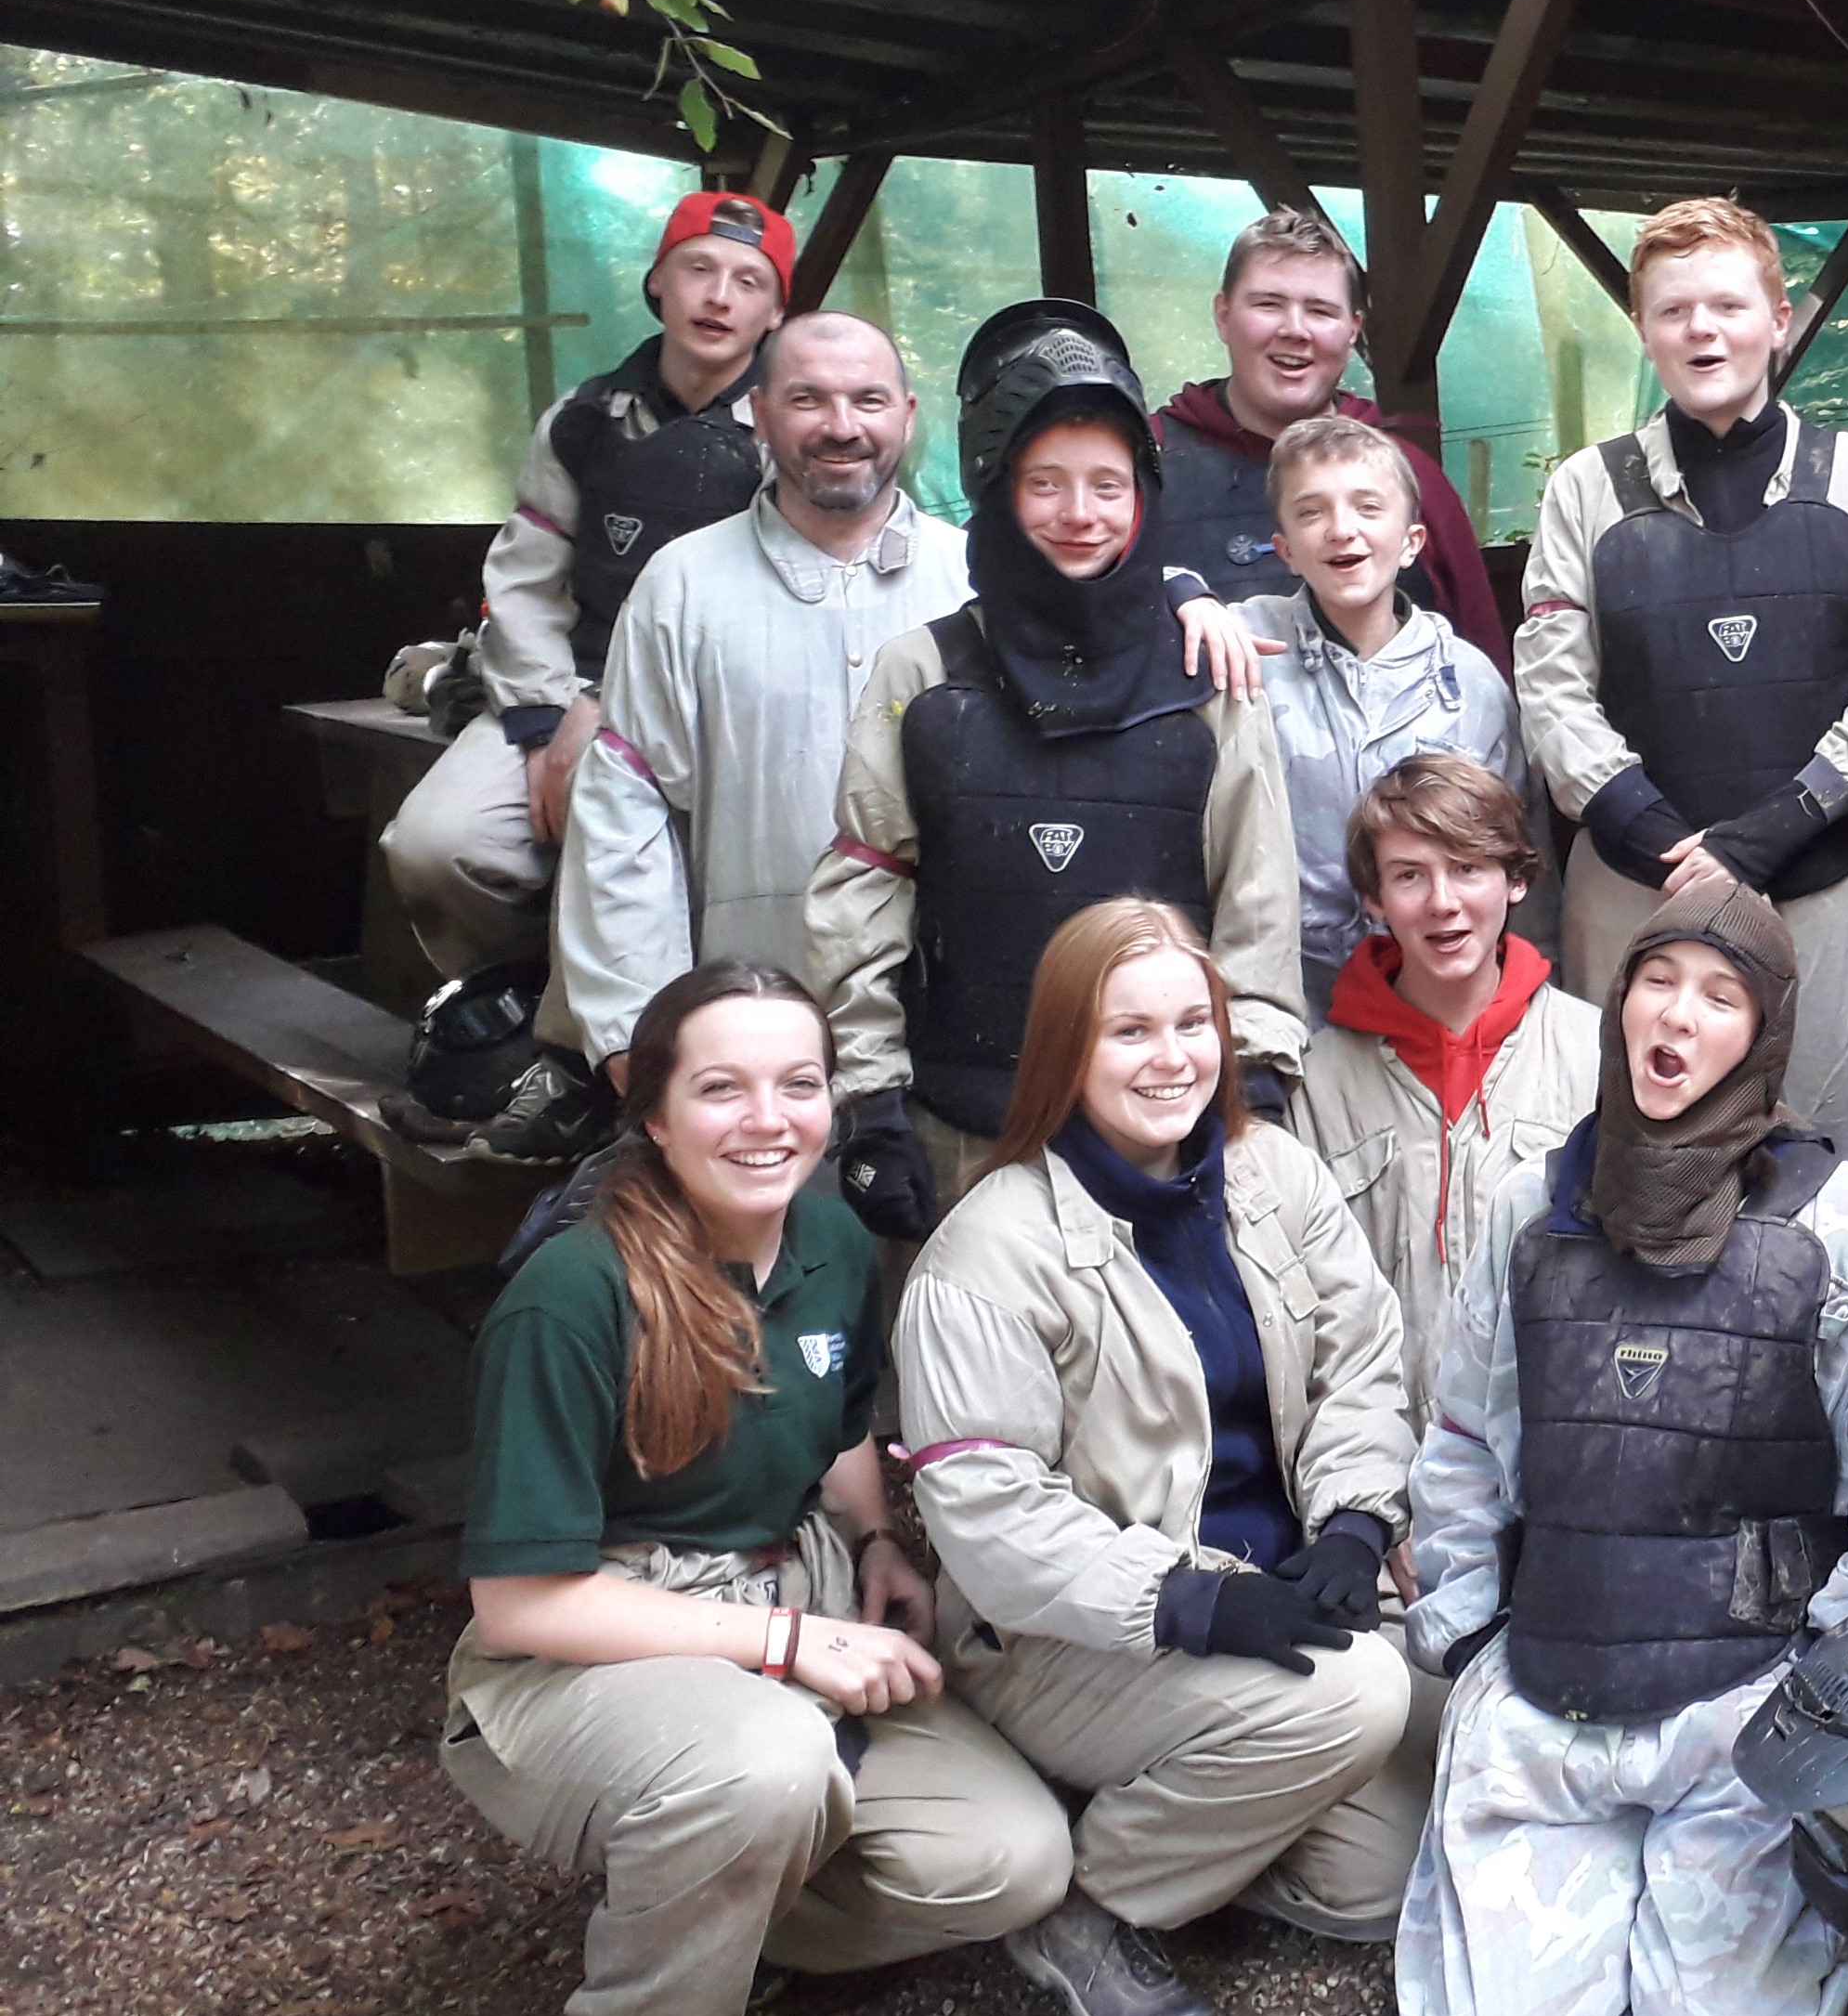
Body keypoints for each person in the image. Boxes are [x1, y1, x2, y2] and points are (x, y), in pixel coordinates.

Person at [439, 963, 1072, 2016]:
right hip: (584, 1650)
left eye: (800, 1084)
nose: (768, 1118)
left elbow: (836, 1429)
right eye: (722, 1088)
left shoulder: (832, 1237)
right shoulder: (571, 1295)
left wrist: (880, 1540)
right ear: (657, 1114)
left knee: (1013, 1861)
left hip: (799, 1589)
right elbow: (519, 1601)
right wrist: (788, 1653)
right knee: (767, 1764)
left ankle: (714, 1910)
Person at [1391, 873, 1848, 2016]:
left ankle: (1730, 1936)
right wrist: (1473, 1624)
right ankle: (1605, 1920)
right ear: (1620, 1005)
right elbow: (1460, 1443)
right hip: (1550, 1688)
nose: (1676, 1018)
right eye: (1657, 981)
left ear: (1763, 1032)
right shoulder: (1531, 1214)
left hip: (1747, 1710)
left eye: (1719, 997)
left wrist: (1834, 1698)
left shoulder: (1844, 1221)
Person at [897, 900, 1438, 2016]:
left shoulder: (1272, 1173)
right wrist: (1191, 1598)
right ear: (1065, 1050)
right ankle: (1086, 1904)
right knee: (1360, 1703)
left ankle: (1192, 1790)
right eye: (1128, 1031)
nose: (1173, 1057)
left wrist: (1350, 1522)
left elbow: (1363, 1361)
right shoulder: (990, 1253)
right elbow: (992, 1518)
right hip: (1078, 1641)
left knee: (1392, 1869)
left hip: (1281, 1595)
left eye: (1193, 1021)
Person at [806, 303, 1308, 1236]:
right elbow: (860, 905)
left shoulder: (1212, 673)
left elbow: (1258, 896)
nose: (1081, 514)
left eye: (1109, 486)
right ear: (997, 489)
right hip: (960, 1138)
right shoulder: (918, 673)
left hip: (1165, 1138)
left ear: (1144, 499)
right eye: (1046, 483)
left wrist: (1258, 1085)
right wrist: (871, 1105)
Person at [487, 311, 973, 1159]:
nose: (841, 426)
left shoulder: (973, 579)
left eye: (868, 400)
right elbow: (622, 823)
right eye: (807, 399)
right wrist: (640, 1034)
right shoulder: (682, 586)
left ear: (906, 413)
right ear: (758, 412)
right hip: (741, 1057)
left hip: (947, 1038)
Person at [1515, 197, 1848, 1162]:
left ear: (1778, 320)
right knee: (1632, 1145)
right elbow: (1552, 685)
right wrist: (1661, 839)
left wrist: (1771, 832)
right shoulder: (1587, 488)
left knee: (1822, 1154)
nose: (1703, 330)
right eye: (1673, 311)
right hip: (1634, 883)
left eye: (1729, 306)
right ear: (1643, 330)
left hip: (1823, 885)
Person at [383, 191, 784, 999]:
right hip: (566, 688)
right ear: (656, 285)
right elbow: (525, 582)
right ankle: (523, 1008)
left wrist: (625, 716)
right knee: (435, 846)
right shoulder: (584, 421)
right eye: (698, 269)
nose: (719, 296)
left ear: (777, 313)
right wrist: (544, 722)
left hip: (728, 706)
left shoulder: (794, 430)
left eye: (749, 280)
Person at [1288, 757, 1600, 1415]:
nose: (1443, 902)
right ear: (1373, 898)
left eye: (1468, 868)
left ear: (1515, 880)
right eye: (1409, 876)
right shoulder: (1316, 1086)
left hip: (1561, 1445)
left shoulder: (1596, 1056)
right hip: (1383, 1461)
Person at [1245, 413, 1557, 1020]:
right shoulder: (1246, 655)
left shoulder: (1469, 687)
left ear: (1413, 541)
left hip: (1441, 1005)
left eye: (1367, 507)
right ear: (1284, 550)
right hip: (1295, 1009)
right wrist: (1186, 594)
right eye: (1311, 513)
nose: (1341, 530)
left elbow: (1524, 856)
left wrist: (1535, 997)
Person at [1147, 206, 1506, 668]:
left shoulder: (1409, 475)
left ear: (1353, 330)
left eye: (1320, 311)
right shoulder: (1146, 466)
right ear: (1223, 315)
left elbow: (1482, 659)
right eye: (1268, 304)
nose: (1294, 330)